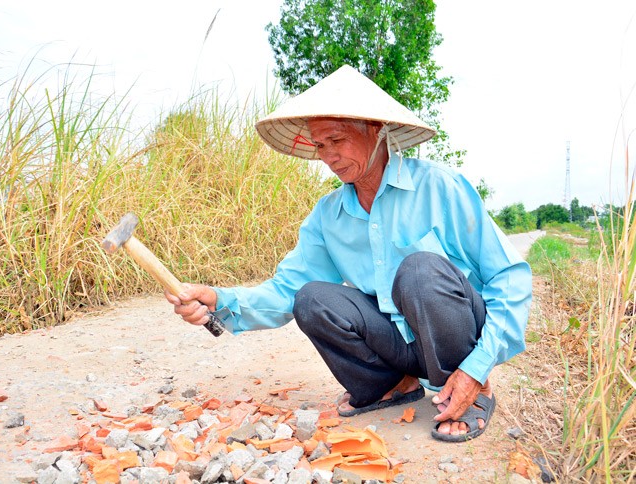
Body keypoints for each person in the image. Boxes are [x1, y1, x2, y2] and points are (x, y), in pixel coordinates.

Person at [165, 65, 532, 442]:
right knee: (311, 299)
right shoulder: (329, 215)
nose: (328, 156)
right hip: (396, 344)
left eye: (337, 140)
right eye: (320, 145)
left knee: (420, 271)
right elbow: (287, 291)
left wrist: (478, 365)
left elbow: (509, 276)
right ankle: (395, 383)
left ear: (375, 131)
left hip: (456, 338)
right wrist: (218, 300)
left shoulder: (440, 187)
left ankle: (472, 390)